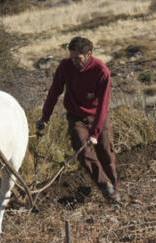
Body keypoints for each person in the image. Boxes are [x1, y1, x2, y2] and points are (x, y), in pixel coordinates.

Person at [35, 36, 120, 203]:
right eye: (71, 57)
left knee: (105, 154)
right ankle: (106, 187)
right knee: (83, 150)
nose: (74, 61)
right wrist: (45, 117)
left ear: (89, 54)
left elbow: (103, 105)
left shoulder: (101, 71)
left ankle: (114, 190)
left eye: (78, 58)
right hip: (76, 117)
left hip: (98, 117)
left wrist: (95, 133)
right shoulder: (65, 67)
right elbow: (54, 92)